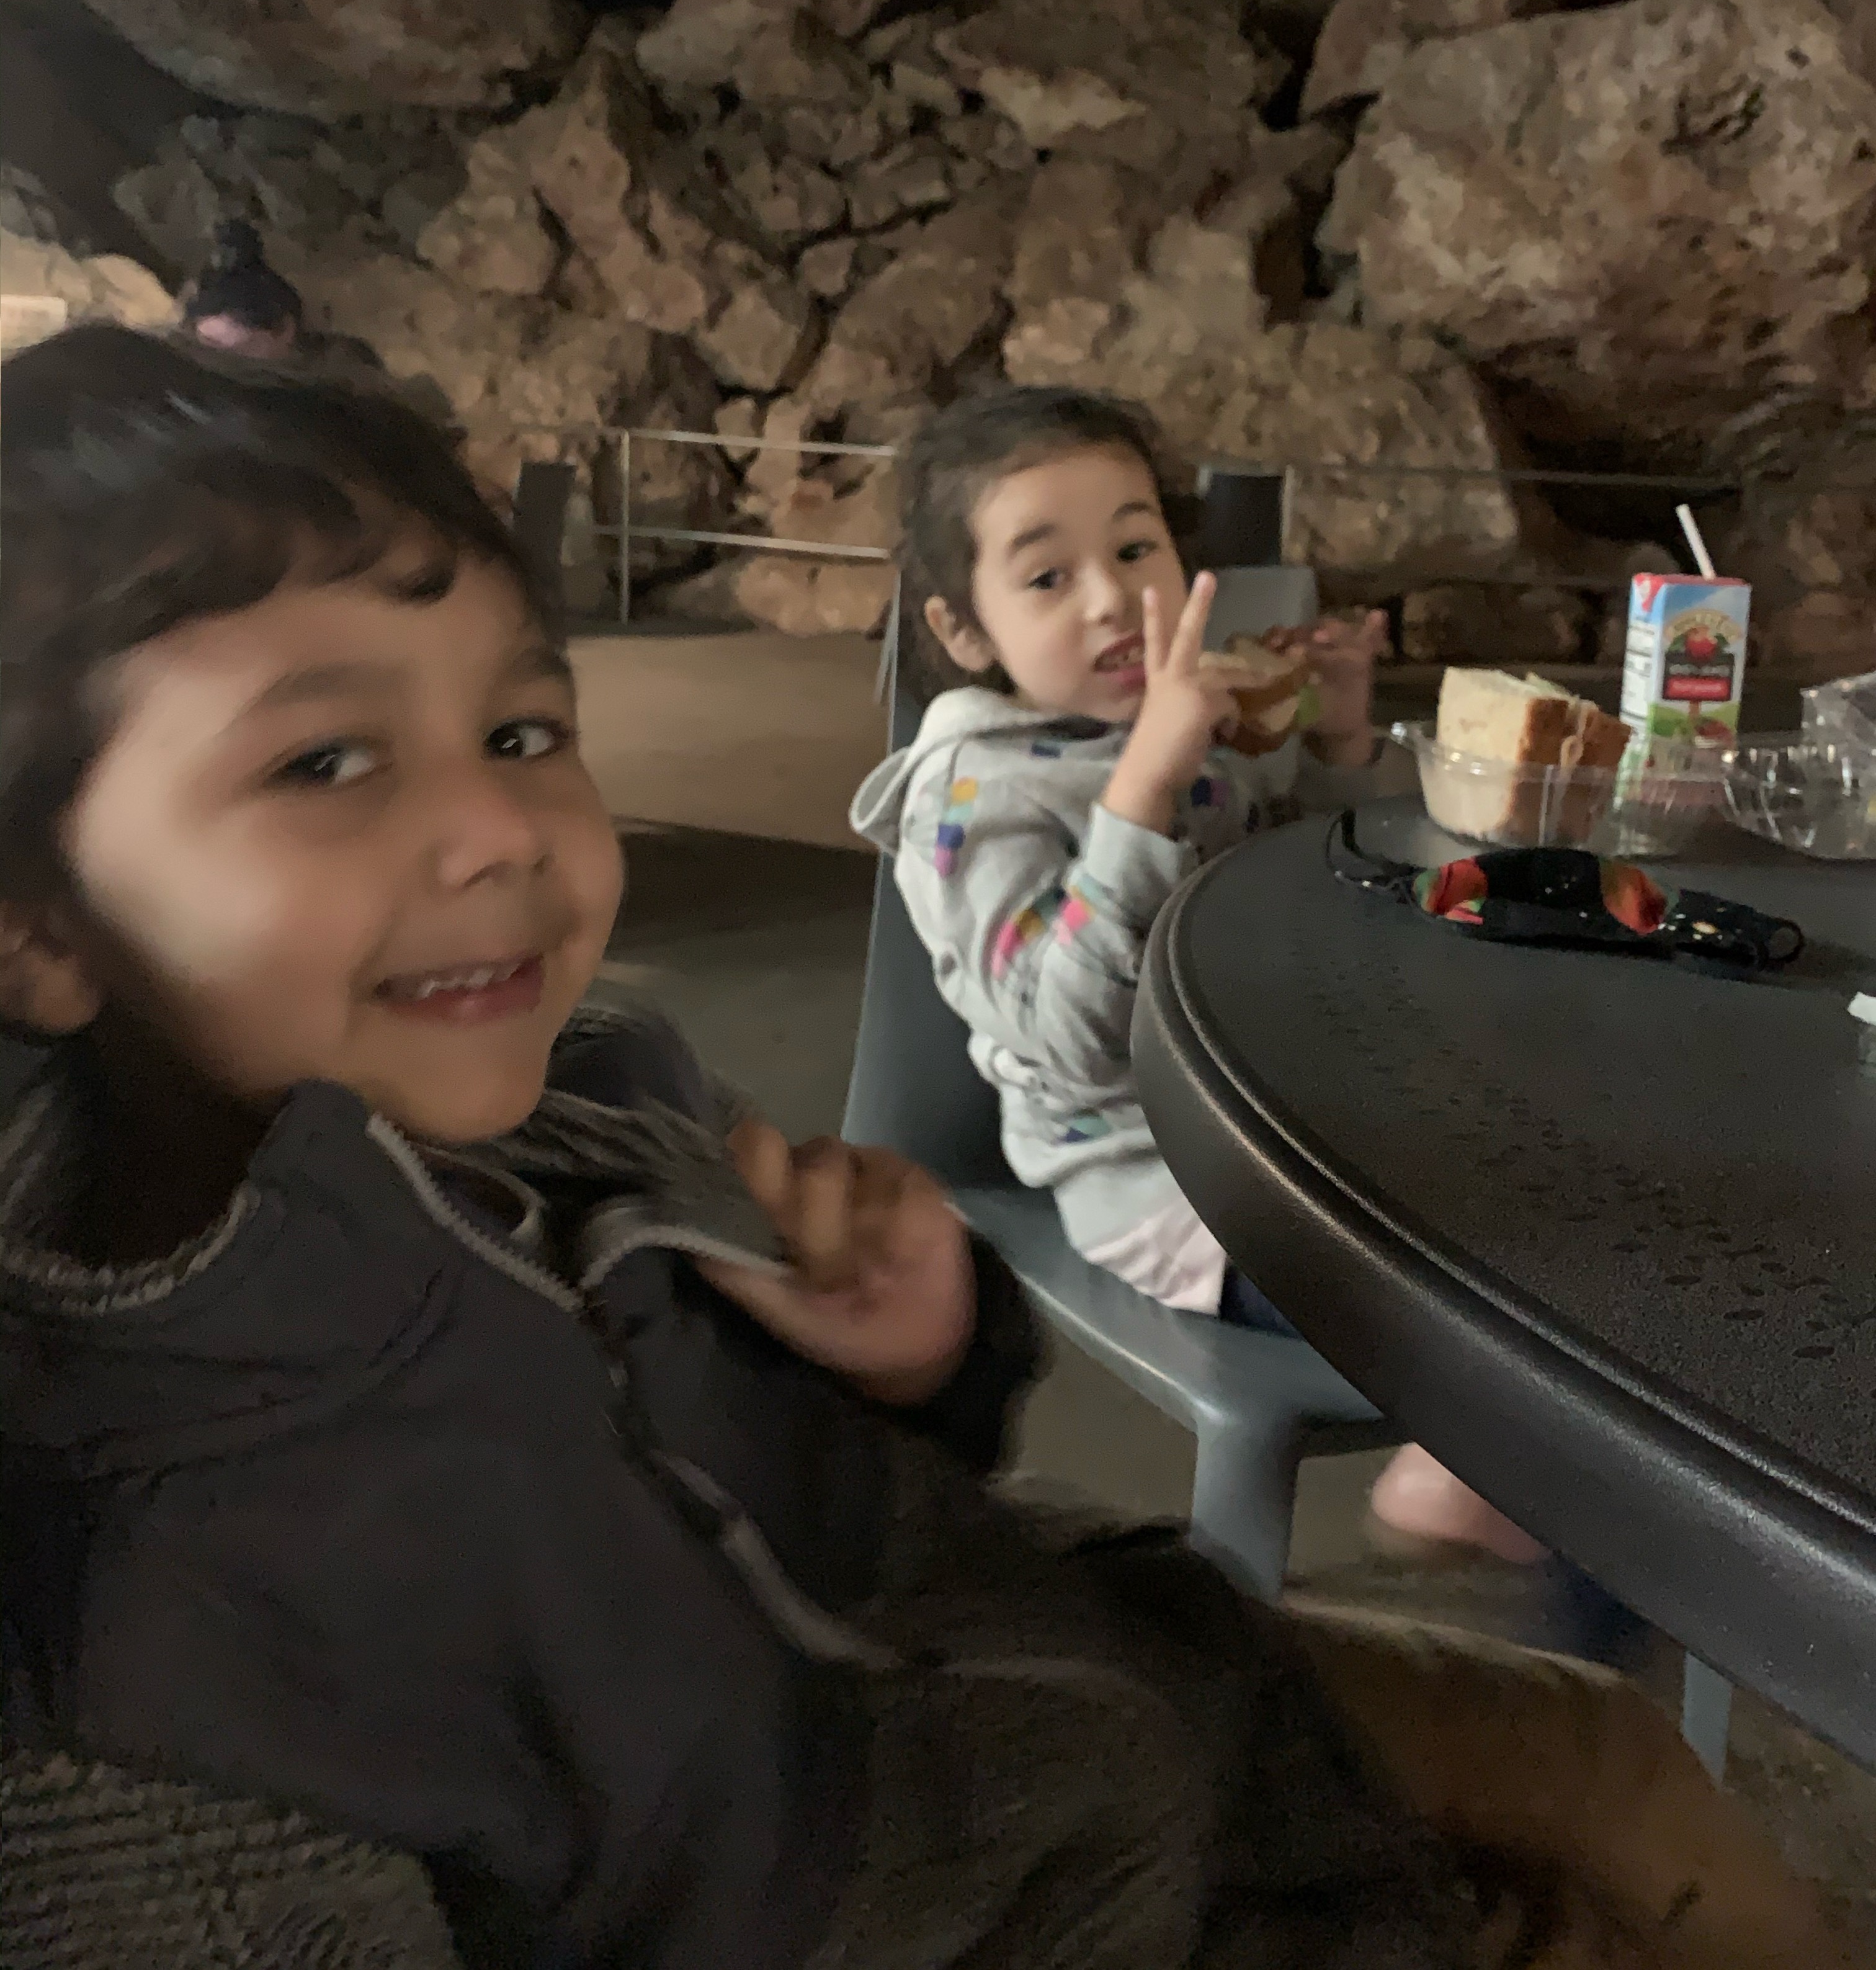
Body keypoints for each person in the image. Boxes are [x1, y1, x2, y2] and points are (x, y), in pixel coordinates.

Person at [0, 329, 1848, 1970]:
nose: (500, 827)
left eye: (524, 726)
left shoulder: (593, 1110)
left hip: (1101, 1704)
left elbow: (790, 1501)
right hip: (1030, 1883)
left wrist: (917, 1365)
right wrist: (1150, 784)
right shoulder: (142, 1662)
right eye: (324, 762)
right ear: (36, 919)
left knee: (1610, 1753)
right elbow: (1058, 1028)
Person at [851, 386, 1543, 1566]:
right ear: (963, 630)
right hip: (1164, 1185)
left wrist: (1335, 742)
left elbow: (1302, 893)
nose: (1111, 598)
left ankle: (1524, 1463)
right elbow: (1070, 1040)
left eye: (1135, 549)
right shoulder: (971, 801)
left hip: (1291, 1115)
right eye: (1047, 576)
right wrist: (1140, 794)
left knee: (1555, 1186)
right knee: (1514, 1288)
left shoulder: (1189, 725)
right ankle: (1475, 1453)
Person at [182, 217, 460, 434]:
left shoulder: (343, 377)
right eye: (206, 347)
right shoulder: (215, 393)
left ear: (284, 331)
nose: (216, 361)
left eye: (233, 349)